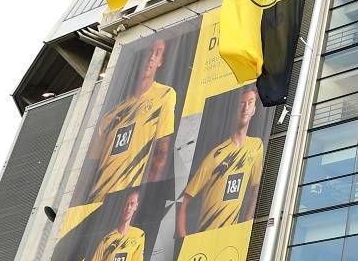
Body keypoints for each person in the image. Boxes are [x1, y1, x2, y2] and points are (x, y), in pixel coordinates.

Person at [85, 38, 177, 198]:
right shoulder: (110, 115)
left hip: (125, 198)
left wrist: (145, 196)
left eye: (158, 53)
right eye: (150, 51)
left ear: (161, 61)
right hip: (96, 198)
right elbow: (89, 169)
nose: (152, 57)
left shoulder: (165, 94)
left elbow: (162, 152)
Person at [178, 87, 265, 237]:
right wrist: (183, 238)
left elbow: (256, 190)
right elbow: (185, 201)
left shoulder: (256, 146)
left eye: (250, 103)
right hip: (205, 235)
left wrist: (246, 224)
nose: (245, 108)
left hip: (230, 237)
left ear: (254, 110)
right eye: (242, 103)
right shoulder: (216, 155)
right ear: (235, 109)